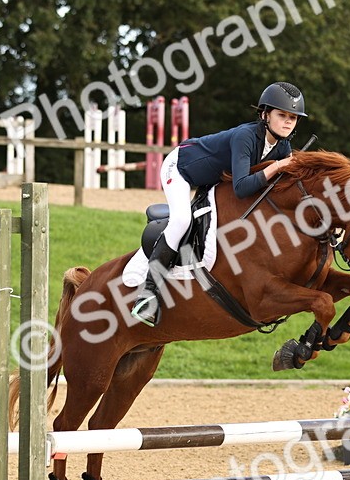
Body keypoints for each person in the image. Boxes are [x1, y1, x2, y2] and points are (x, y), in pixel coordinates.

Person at [130, 82, 307, 326]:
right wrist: (277, 167)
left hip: (212, 179)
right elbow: (242, 187)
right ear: (265, 114)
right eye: (282, 115)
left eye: (293, 118)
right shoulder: (246, 136)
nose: (288, 122)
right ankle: (148, 293)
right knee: (182, 220)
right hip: (181, 168)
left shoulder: (282, 146)